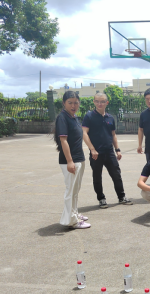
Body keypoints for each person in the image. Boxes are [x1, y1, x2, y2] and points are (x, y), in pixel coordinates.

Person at [82, 92, 132, 209]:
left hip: (109, 152)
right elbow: (84, 133)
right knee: (97, 177)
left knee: (116, 175)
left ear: (106, 103)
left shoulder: (110, 118)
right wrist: (92, 149)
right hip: (96, 153)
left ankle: (121, 197)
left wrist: (117, 149)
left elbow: (113, 135)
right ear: (94, 102)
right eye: (97, 101)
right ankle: (101, 199)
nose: (100, 104)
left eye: (102, 101)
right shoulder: (89, 116)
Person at [53, 91, 90, 229]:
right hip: (70, 160)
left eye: (76, 102)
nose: (73, 105)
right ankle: (72, 221)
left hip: (79, 158)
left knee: (75, 190)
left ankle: (74, 214)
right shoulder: (62, 118)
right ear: (64, 103)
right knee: (70, 191)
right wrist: (70, 161)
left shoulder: (74, 117)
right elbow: (63, 140)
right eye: (70, 103)